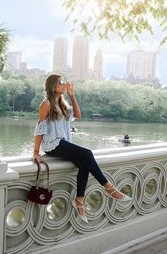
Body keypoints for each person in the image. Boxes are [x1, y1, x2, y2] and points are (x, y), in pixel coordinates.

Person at [33, 74, 131, 223]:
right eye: (60, 82)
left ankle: (79, 201)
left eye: (64, 82)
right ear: (52, 86)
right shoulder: (46, 104)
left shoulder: (64, 104)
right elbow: (40, 128)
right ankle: (110, 189)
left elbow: (78, 115)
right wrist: (35, 152)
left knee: (84, 164)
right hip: (53, 144)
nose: (64, 84)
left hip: (63, 143)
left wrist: (72, 96)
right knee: (87, 153)